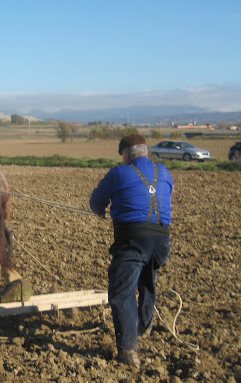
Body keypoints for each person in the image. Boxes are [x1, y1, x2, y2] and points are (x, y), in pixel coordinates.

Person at [89, 134, 173, 368]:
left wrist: (101, 209)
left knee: (121, 292)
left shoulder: (120, 172)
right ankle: (143, 326)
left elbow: (96, 201)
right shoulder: (163, 171)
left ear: (126, 154)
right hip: (162, 241)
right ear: (145, 152)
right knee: (147, 281)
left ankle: (127, 349)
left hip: (132, 239)